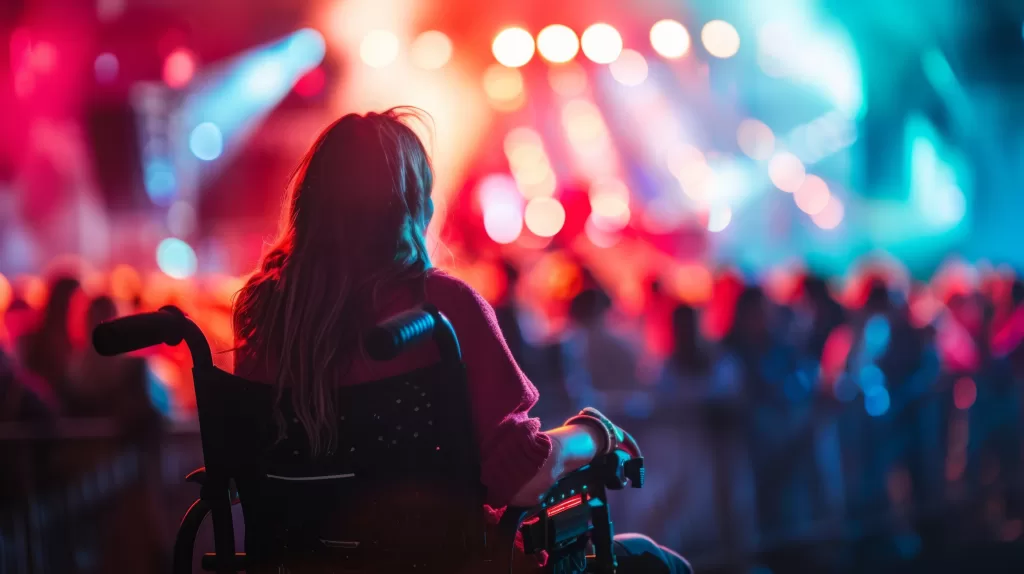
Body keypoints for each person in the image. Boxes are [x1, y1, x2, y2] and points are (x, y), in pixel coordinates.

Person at [232, 109, 690, 573]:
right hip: (442, 562)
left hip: (302, 565)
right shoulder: (437, 310)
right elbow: (521, 478)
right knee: (655, 563)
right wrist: (594, 434)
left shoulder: (262, 314)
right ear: (411, 207)